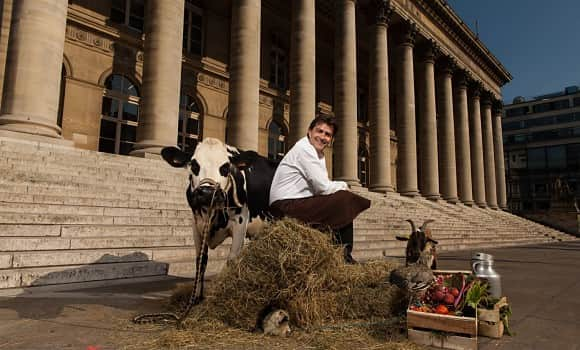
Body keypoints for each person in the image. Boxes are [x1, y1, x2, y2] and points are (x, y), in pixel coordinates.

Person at [269, 115, 371, 264]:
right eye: (320, 131)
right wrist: (344, 186)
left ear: (331, 139)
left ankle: (338, 252)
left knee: (340, 202)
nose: (323, 137)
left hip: (295, 202)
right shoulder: (305, 149)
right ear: (310, 132)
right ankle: (344, 256)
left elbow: (321, 188)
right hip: (285, 206)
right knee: (344, 199)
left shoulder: (317, 154)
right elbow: (323, 187)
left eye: (328, 134)